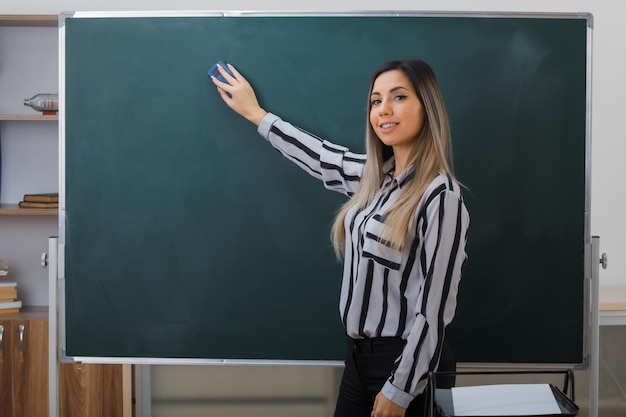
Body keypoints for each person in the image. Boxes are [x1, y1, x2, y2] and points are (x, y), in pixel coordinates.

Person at [211, 59, 469, 417]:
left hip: (405, 365)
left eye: (398, 97)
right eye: (375, 101)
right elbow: (321, 158)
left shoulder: (441, 198)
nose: (384, 110)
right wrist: (257, 114)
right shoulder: (375, 178)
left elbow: (435, 311)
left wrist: (400, 390)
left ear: (427, 106)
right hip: (357, 361)